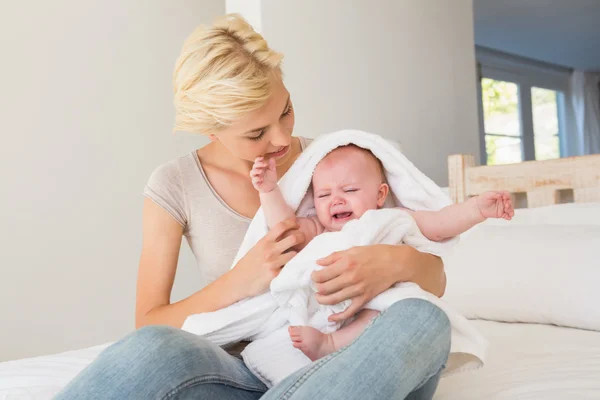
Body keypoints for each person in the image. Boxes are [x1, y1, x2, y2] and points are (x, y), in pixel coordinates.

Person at [56, 14, 454, 399]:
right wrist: (241, 280)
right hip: (245, 370)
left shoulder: (335, 162)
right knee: (152, 348)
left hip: (355, 361)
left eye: (285, 111)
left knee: (423, 321)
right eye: (257, 133)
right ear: (212, 129)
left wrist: (392, 263)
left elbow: (434, 278)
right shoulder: (175, 184)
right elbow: (148, 323)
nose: (282, 138)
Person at [250, 144, 513, 361]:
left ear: (380, 195)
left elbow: (440, 224)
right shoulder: (319, 228)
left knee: (394, 309)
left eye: (350, 190)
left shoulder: (392, 218)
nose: (336, 200)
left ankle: (331, 344)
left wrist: (476, 210)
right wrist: (270, 191)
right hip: (329, 306)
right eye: (324, 195)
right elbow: (284, 231)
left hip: (378, 301)